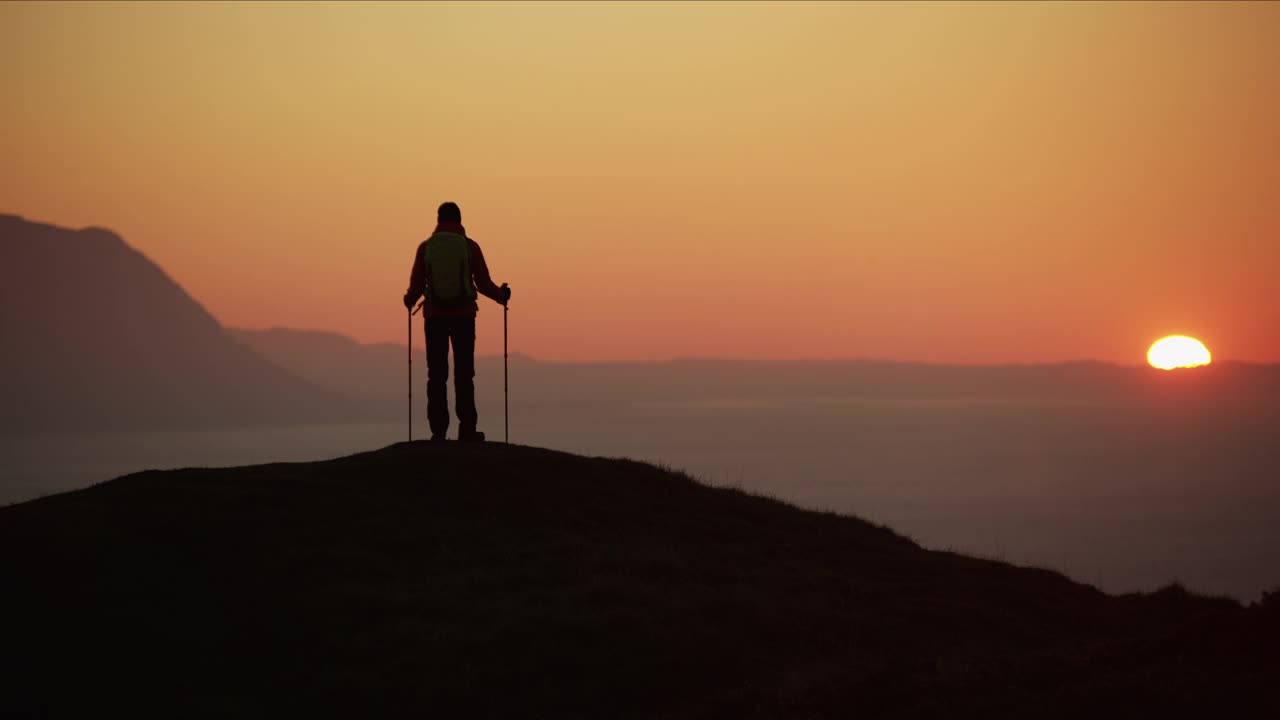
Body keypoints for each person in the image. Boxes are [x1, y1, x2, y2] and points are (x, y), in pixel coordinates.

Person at [403, 202, 510, 441]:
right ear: (460, 220)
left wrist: (409, 299)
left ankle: (438, 431)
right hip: (464, 316)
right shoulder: (469, 246)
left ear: (438, 220)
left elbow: (418, 285)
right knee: (464, 373)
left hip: (434, 317)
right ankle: (467, 429)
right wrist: (502, 297)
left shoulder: (427, 247)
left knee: (437, 374)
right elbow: (483, 283)